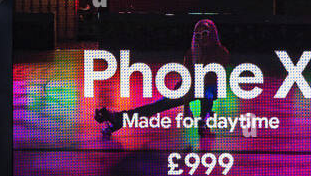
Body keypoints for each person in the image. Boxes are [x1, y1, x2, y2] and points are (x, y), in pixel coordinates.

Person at [94, 18, 229, 137]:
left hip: (210, 87)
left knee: (208, 93)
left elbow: (211, 79)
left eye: (205, 33)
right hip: (192, 87)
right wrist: (186, 108)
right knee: (158, 105)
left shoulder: (221, 52)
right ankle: (119, 118)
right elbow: (189, 78)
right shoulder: (191, 53)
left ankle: (203, 124)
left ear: (212, 34)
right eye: (198, 35)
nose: (202, 38)